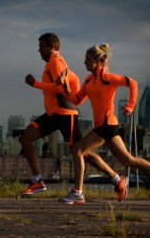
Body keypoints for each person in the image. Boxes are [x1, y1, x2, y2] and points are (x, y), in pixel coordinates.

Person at [58, 43, 150, 205]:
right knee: (128, 160)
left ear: (99, 61)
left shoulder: (107, 78)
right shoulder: (89, 80)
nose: (84, 62)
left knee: (77, 150)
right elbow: (76, 99)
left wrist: (130, 106)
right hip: (105, 127)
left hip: (107, 125)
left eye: (88, 59)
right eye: (85, 59)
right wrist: (64, 86)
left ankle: (78, 192)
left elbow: (132, 83)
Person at [20, 33, 127, 202]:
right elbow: (74, 79)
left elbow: (61, 87)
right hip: (54, 114)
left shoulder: (56, 62)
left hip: (65, 114)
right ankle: (37, 181)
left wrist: (36, 84)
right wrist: (75, 95)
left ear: (52, 47)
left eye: (41, 47)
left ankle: (112, 180)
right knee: (26, 138)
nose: (39, 50)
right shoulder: (55, 62)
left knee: (80, 153)